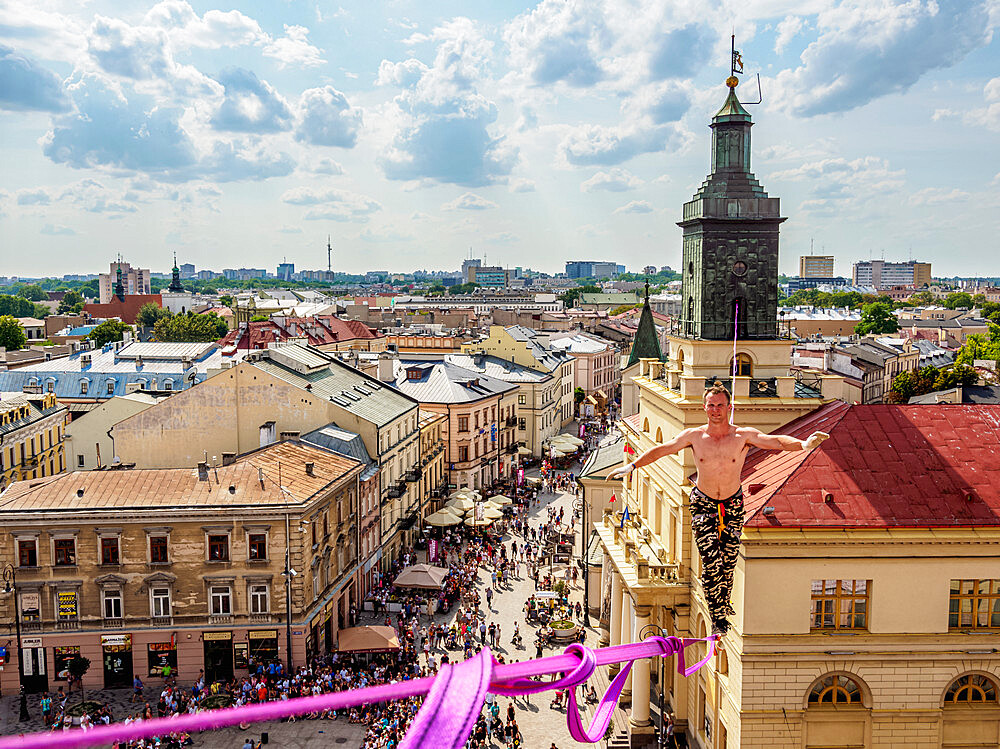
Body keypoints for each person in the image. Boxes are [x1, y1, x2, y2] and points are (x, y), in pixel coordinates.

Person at [607, 383, 828, 635]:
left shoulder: (742, 436)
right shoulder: (694, 436)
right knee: (711, 558)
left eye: (720, 405)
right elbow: (663, 449)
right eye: (711, 405)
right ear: (704, 408)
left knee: (729, 558)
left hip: (733, 501)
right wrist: (633, 466)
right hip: (703, 501)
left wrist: (803, 445)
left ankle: (723, 604)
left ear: (729, 407)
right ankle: (718, 617)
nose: (715, 410)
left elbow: (774, 441)